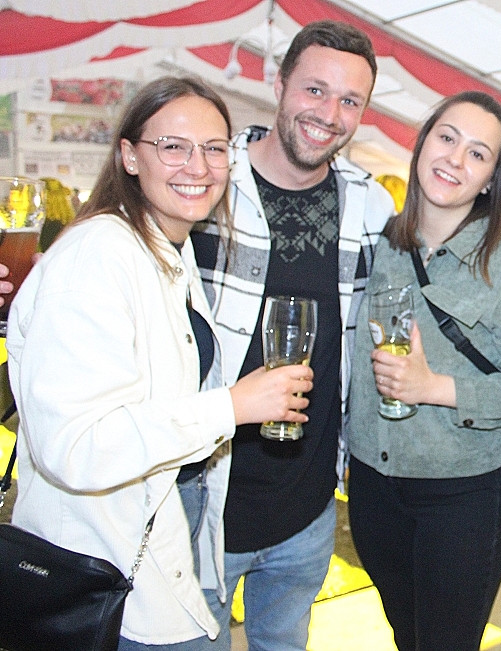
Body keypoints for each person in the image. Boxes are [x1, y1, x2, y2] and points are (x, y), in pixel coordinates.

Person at [6, 76, 312, 648]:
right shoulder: (98, 255)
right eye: (173, 146)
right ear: (129, 156)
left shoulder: (169, 247)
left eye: (214, 148)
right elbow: (76, 447)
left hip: (160, 536)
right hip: (105, 567)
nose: (198, 166)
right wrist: (231, 407)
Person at [190, 21, 395, 650]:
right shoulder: (205, 182)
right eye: (315, 90)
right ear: (278, 85)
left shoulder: (369, 204)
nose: (329, 115)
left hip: (307, 509)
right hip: (200, 502)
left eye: (350, 100)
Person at [346, 90, 501, 651]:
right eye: (447, 138)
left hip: (461, 494)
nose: (455, 159)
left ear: (491, 179)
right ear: (421, 145)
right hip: (372, 484)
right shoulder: (375, 244)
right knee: (406, 636)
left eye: (477, 153)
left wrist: (433, 387)